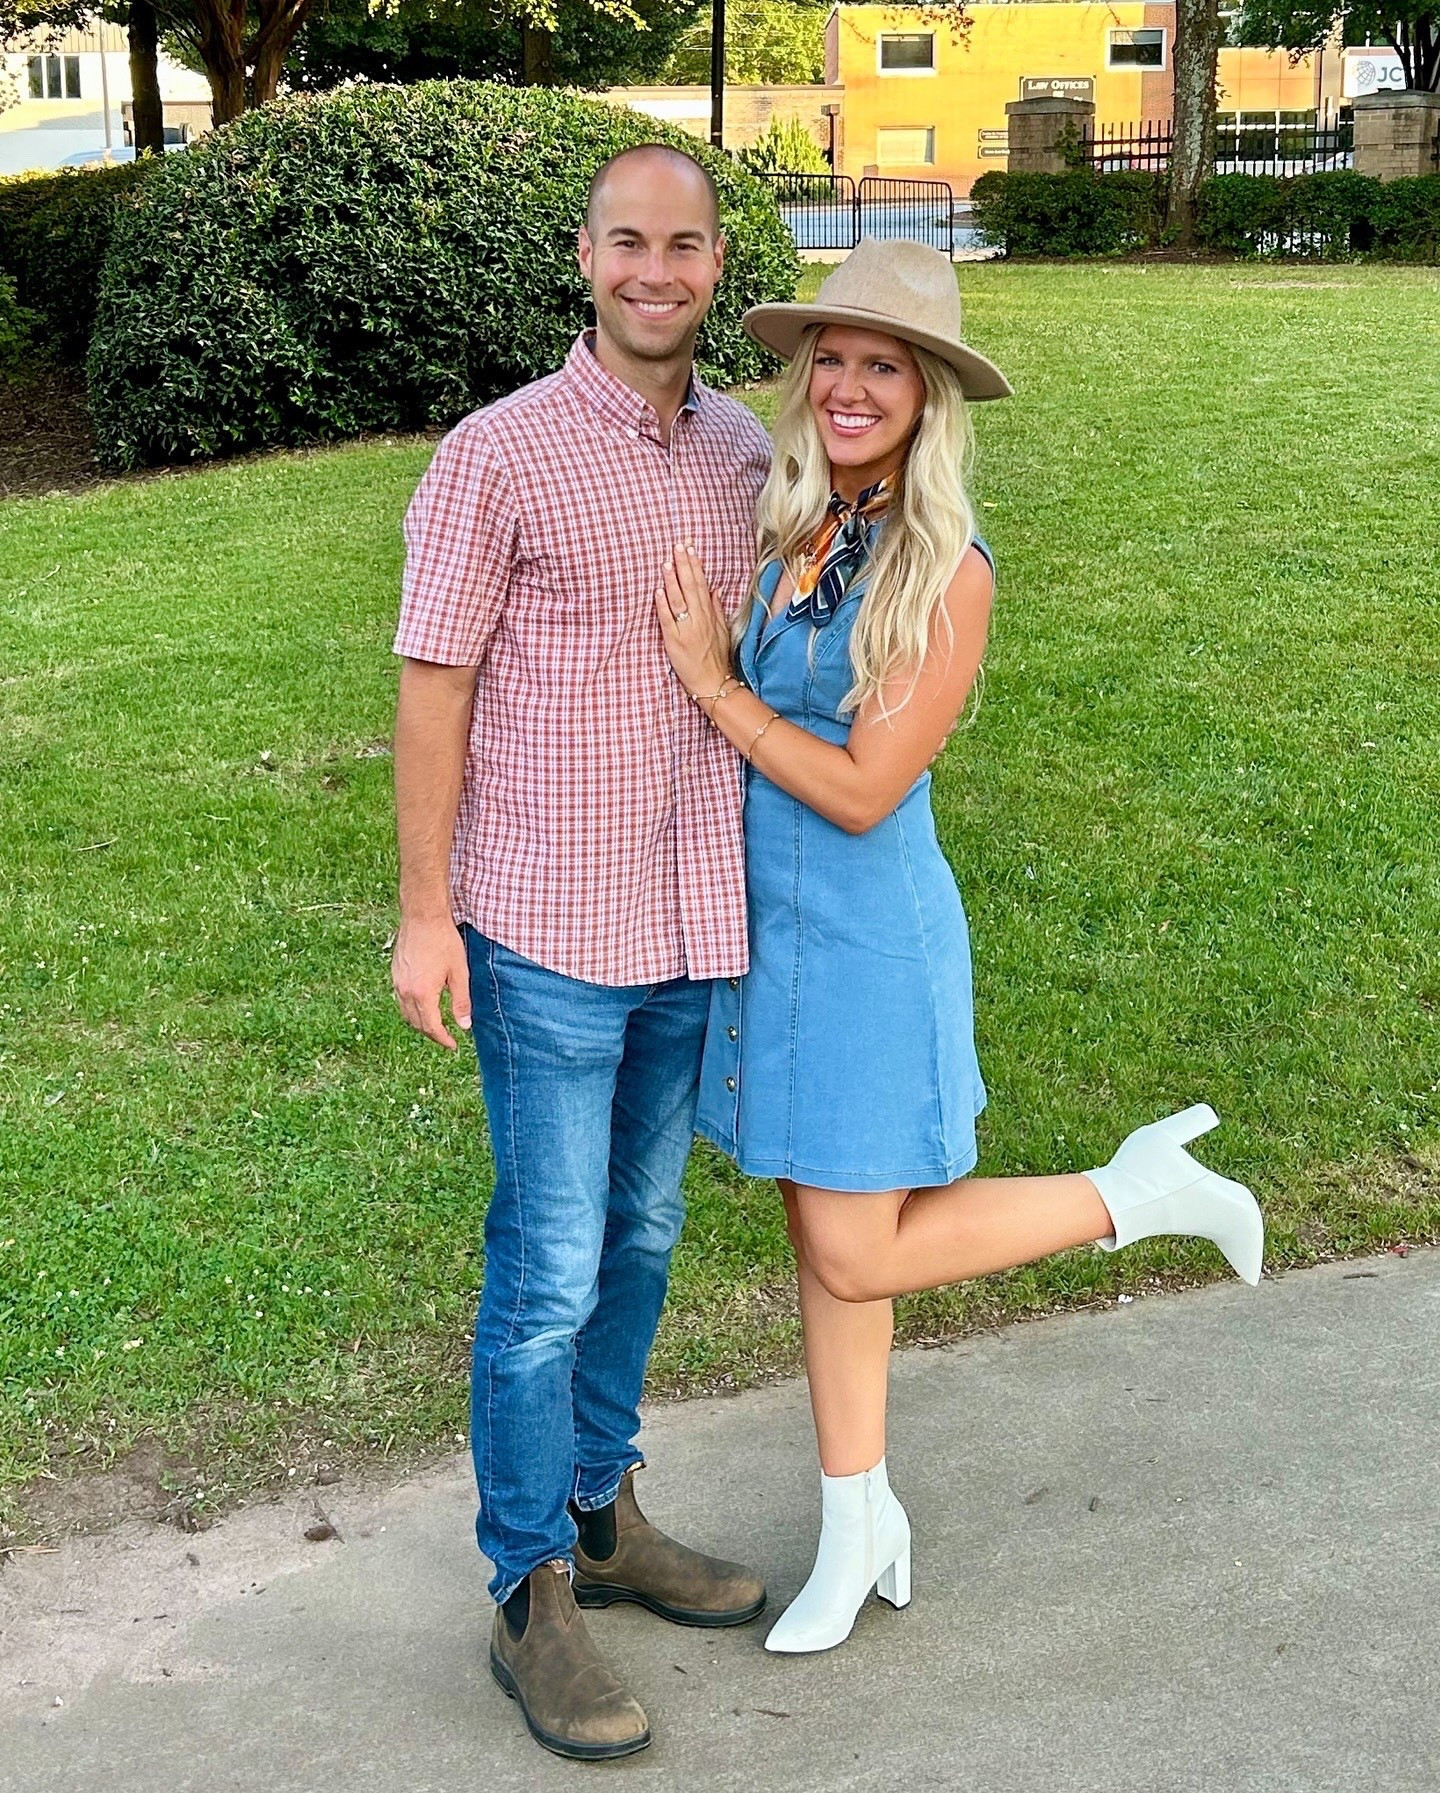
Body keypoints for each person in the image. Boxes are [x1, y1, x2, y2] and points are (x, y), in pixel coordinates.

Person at [653, 236, 1265, 1657]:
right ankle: (856, 1521)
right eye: (836, 361)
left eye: (887, 366)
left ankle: (1133, 1193)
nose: (853, 386)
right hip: (774, 936)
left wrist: (711, 690)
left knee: (860, 1251)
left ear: (930, 398)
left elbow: (865, 788)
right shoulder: (801, 519)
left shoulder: (947, 566)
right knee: (822, 1236)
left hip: (865, 941)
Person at [389, 143, 773, 1762]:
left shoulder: (747, 449)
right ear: (584, 256)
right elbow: (434, 685)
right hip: (546, 923)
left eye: (685, 245)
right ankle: (529, 1581)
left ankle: (605, 1512)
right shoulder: (499, 457)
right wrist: (424, 910)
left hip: (691, 918)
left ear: (715, 262)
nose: (657, 271)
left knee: (642, 1230)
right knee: (544, 1263)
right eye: (630, 242)